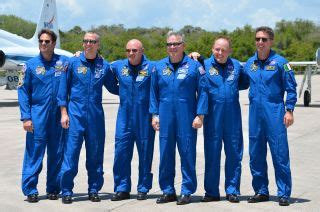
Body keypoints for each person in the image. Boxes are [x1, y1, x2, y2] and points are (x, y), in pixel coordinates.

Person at [57, 31, 119, 204]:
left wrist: (134, 86)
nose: (88, 44)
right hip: (75, 116)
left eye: (92, 41)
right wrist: (63, 112)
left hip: (95, 118)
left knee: (95, 155)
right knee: (71, 154)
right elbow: (63, 90)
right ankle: (67, 190)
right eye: (86, 41)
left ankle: (94, 189)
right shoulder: (72, 63)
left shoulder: (104, 66)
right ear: (83, 43)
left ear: (98, 44)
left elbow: (114, 88)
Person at [150, 31, 208, 205]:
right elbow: (153, 93)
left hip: (187, 116)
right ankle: (168, 191)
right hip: (165, 116)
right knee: (166, 154)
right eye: (170, 44)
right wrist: (155, 114)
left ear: (184, 45)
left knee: (187, 152)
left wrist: (200, 115)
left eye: (176, 44)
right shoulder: (158, 67)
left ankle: (187, 191)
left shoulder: (194, 67)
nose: (173, 47)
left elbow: (203, 92)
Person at [244, 26, 297, 206]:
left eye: (264, 39)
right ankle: (261, 191)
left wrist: (289, 110)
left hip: (274, 112)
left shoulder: (281, 62)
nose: (260, 42)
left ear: (271, 41)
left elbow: (291, 88)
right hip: (255, 114)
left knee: (279, 153)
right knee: (255, 154)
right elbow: (236, 78)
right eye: (258, 39)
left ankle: (283, 193)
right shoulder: (249, 63)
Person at [18, 29, 69, 203]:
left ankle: (54, 188)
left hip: (57, 116)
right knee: (34, 153)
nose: (43, 44)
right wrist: (26, 117)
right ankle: (30, 189)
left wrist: (78, 54)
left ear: (54, 43)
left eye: (47, 41)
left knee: (57, 152)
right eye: (41, 41)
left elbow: (80, 63)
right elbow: (23, 92)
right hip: (37, 114)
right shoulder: (30, 65)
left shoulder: (63, 63)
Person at [201, 36, 249, 203]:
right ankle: (212, 192)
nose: (220, 53)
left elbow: (244, 83)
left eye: (223, 50)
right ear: (212, 49)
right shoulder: (204, 65)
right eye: (217, 49)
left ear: (230, 51)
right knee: (212, 155)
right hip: (213, 117)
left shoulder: (236, 66)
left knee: (234, 154)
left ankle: (232, 190)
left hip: (232, 118)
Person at [110, 39, 155, 201]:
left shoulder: (152, 67)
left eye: (134, 50)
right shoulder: (118, 66)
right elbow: (105, 75)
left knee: (145, 154)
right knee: (121, 153)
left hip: (144, 118)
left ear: (142, 50)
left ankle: (143, 188)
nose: (131, 53)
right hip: (124, 117)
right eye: (128, 50)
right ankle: (122, 188)